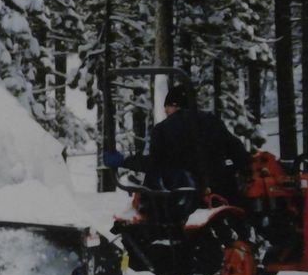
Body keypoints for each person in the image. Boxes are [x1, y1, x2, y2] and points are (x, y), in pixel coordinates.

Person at [104, 85, 251, 206]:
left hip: (181, 200)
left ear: (174, 105)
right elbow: (238, 152)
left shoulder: (163, 129)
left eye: (166, 107)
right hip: (218, 194)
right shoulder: (213, 122)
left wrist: (124, 161)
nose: (165, 111)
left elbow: (154, 164)